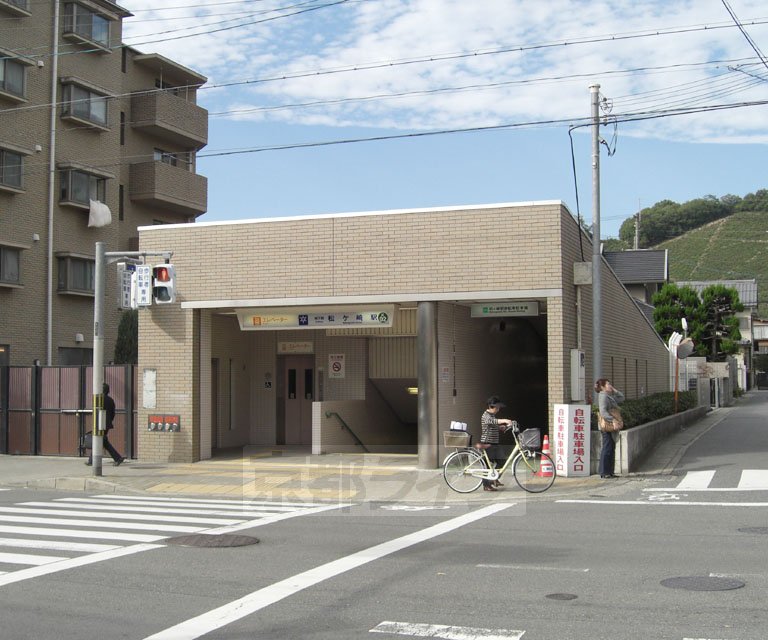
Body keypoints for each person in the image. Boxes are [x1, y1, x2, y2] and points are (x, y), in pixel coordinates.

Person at [478, 395, 516, 492]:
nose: (498, 409)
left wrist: (500, 427)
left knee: (502, 461)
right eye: (497, 407)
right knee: (487, 465)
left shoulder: (492, 415)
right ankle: (487, 485)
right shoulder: (486, 415)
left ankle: (494, 479)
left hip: (494, 443)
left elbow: (492, 425)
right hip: (487, 443)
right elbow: (491, 422)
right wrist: (504, 420)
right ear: (491, 406)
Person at [86, 383, 125, 466]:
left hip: (99, 423)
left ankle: (117, 458)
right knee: (103, 441)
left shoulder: (98, 398)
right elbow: (113, 413)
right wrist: (109, 421)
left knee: (98, 439)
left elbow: (96, 411)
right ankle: (92, 461)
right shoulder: (111, 400)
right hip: (106, 424)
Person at [595, 378, 624, 479]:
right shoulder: (603, 397)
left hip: (611, 426)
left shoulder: (608, 396)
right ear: (602, 387)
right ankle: (604, 472)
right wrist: (613, 420)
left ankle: (610, 471)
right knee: (607, 448)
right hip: (607, 426)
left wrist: (615, 390)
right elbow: (603, 412)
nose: (610, 385)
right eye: (608, 384)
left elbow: (621, 398)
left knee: (611, 448)